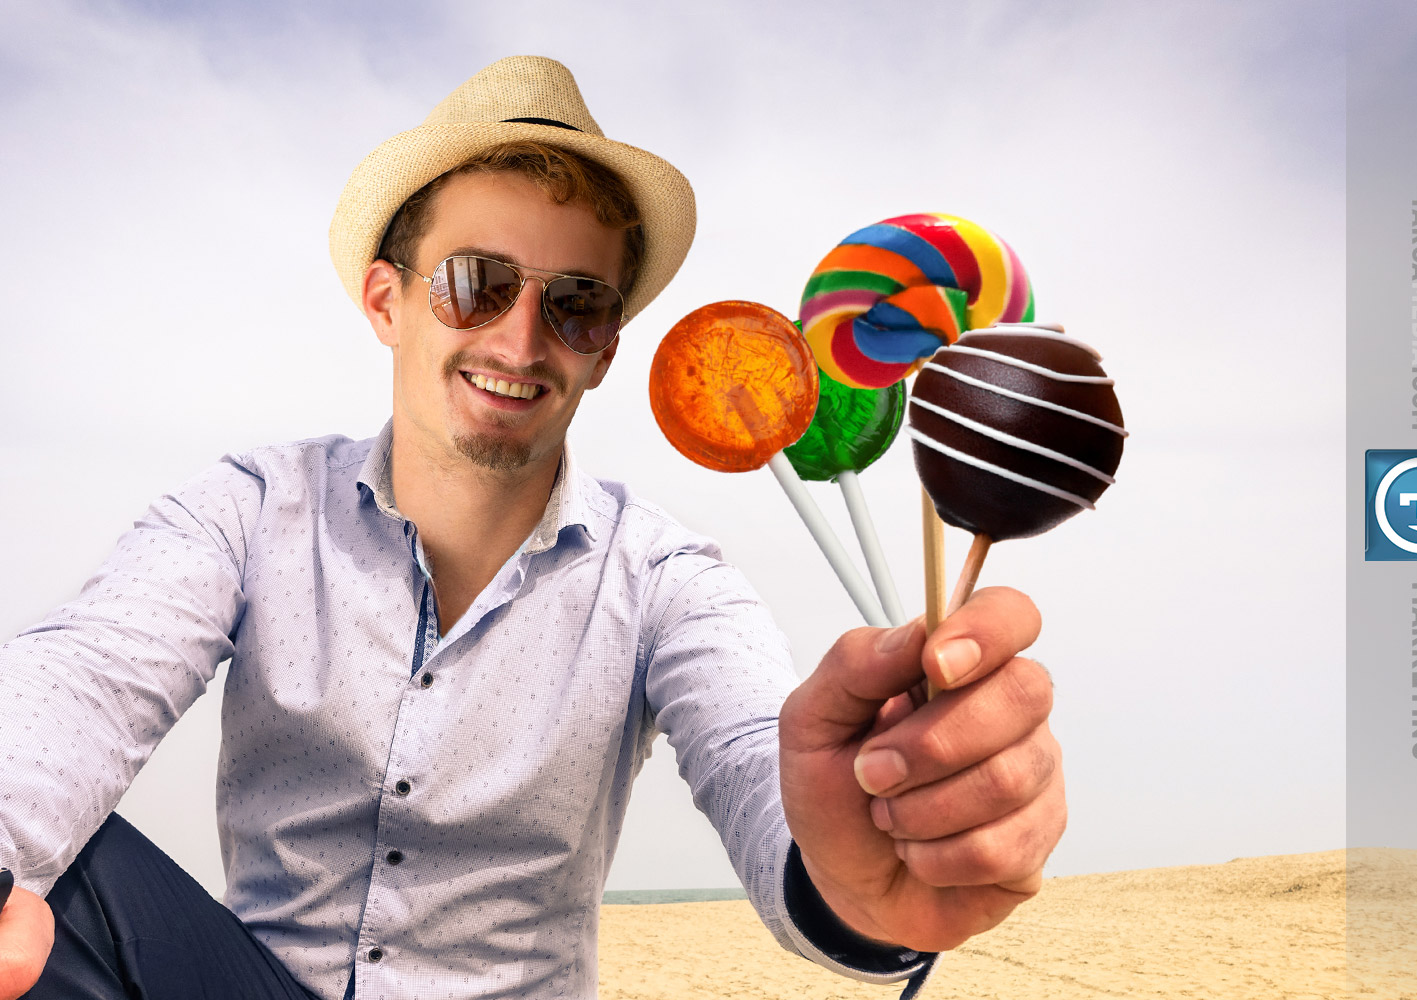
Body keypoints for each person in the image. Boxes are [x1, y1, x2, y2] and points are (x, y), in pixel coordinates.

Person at [0, 56, 1064, 999]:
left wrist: (861, 871)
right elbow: (82, 677)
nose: (522, 337)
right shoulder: (249, 510)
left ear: (605, 348)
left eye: (576, 305)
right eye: (478, 283)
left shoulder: (666, 581)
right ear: (387, 300)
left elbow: (758, 757)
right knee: (48, 871)